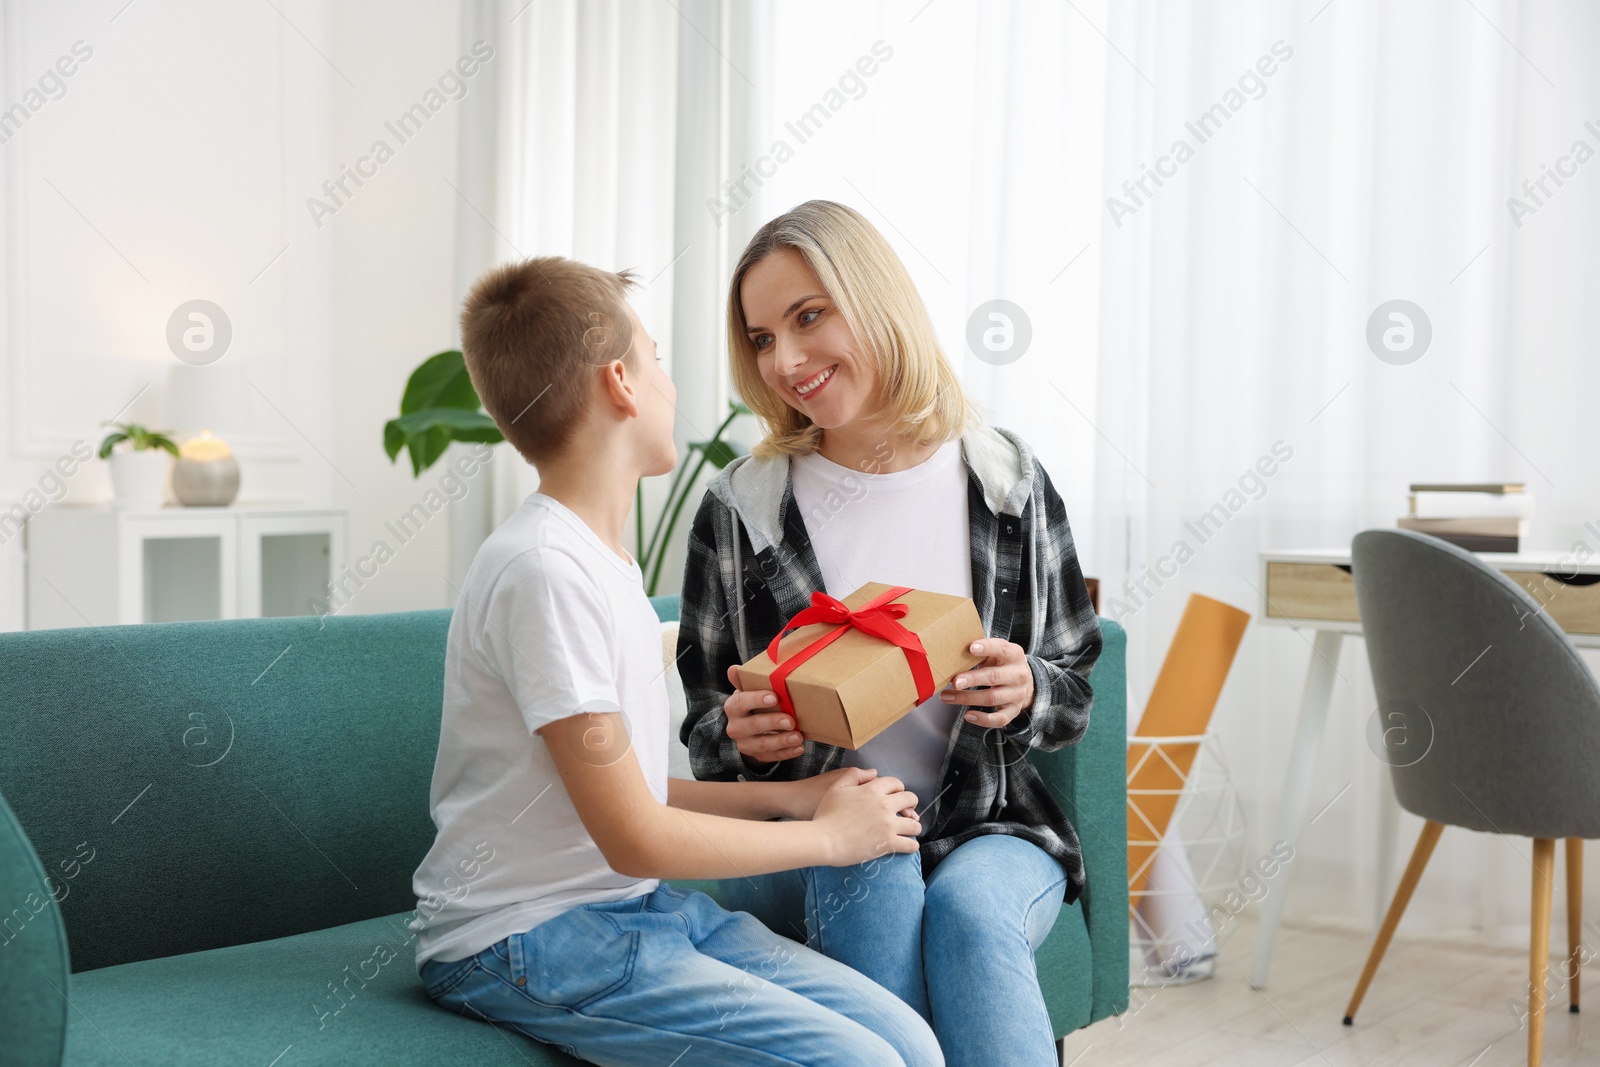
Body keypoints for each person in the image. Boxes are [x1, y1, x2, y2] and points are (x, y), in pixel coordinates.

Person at [410, 255, 943, 1067]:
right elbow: (636, 836)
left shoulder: (602, 563)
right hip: (520, 934)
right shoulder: (544, 571)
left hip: (630, 907)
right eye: (656, 356)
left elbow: (624, 794)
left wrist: (800, 794)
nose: (670, 381)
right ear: (621, 382)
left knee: (909, 1041)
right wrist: (829, 837)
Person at [677, 200, 1102, 1067]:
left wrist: (1028, 690)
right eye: (761, 338)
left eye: (808, 316)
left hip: (990, 826)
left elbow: (1074, 693)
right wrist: (744, 734)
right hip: (811, 829)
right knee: (867, 868)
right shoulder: (741, 510)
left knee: (972, 913)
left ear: (874, 300)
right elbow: (705, 732)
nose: (786, 360)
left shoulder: (1008, 485)